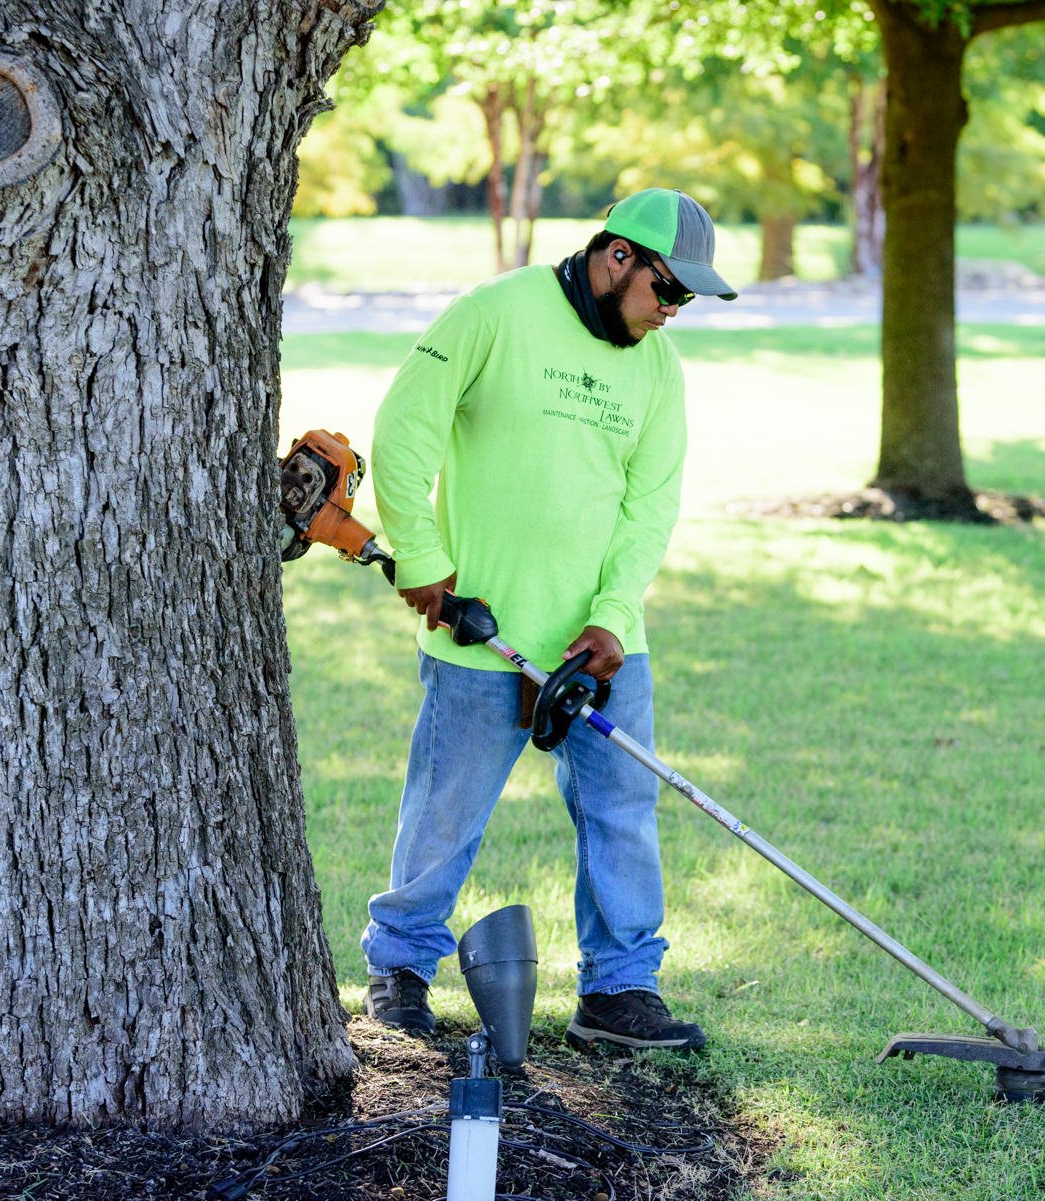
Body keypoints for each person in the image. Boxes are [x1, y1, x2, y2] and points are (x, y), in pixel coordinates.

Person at [359, 189, 739, 1052]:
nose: (673, 313)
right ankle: (402, 969)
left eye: (685, 300)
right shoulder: (496, 313)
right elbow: (406, 429)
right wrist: (419, 558)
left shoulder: (656, 367)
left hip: (601, 650)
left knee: (621, 814)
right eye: (668, 290)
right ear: (618, 259)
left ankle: (619, 990)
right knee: (444, 810)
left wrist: (611, 618)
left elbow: (652, 504)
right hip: (479, 634)